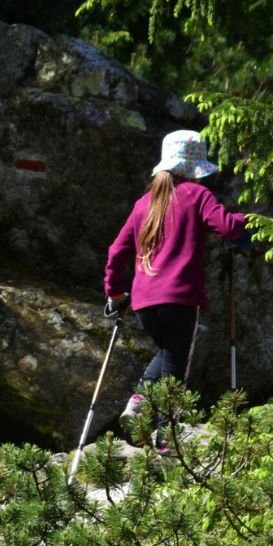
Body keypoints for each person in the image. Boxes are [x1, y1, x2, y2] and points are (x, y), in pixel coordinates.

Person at [104, 130, 248, 449]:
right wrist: (247, 222)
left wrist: (115, 294)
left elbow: (116, 252)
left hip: (143, 303)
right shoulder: (197, 195)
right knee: (176, 364)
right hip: (180, 297)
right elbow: (226, 227)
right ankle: (164, 437)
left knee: (167, 351)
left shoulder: (145, 203)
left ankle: (139, 402)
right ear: (195, 168)